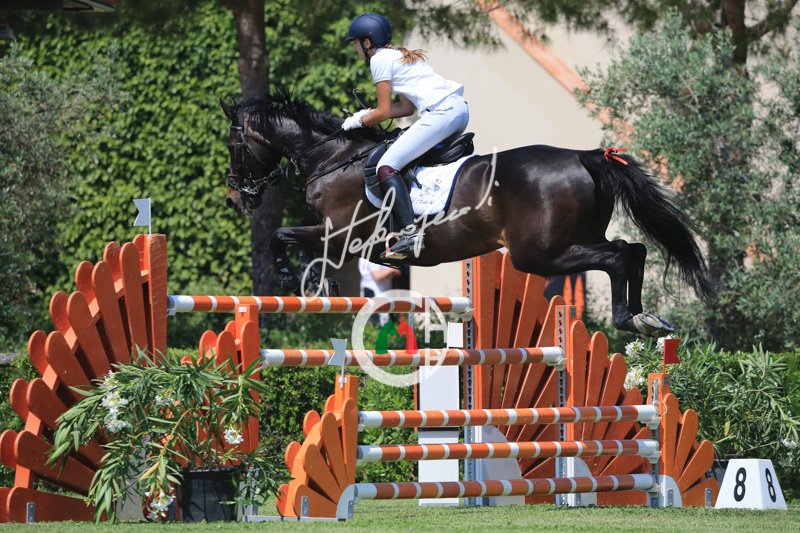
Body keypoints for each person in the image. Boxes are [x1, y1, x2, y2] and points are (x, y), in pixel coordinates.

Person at [342, 13, 470, 260]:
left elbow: (383, 112)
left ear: (367, 42)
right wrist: (368, 113)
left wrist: (358, 120)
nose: (355, 48)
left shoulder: (379, 59)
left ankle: (410, 234)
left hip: (441, 113)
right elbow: (406, 108)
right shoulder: (397, 54)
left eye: (356, 43)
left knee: (386, 167)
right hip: (458, 110)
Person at [358, 257, 400, 325]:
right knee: (375, 325)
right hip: (373, 294)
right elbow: (377, 276)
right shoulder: (371, 255)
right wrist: (392, 269)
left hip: (385, 295)